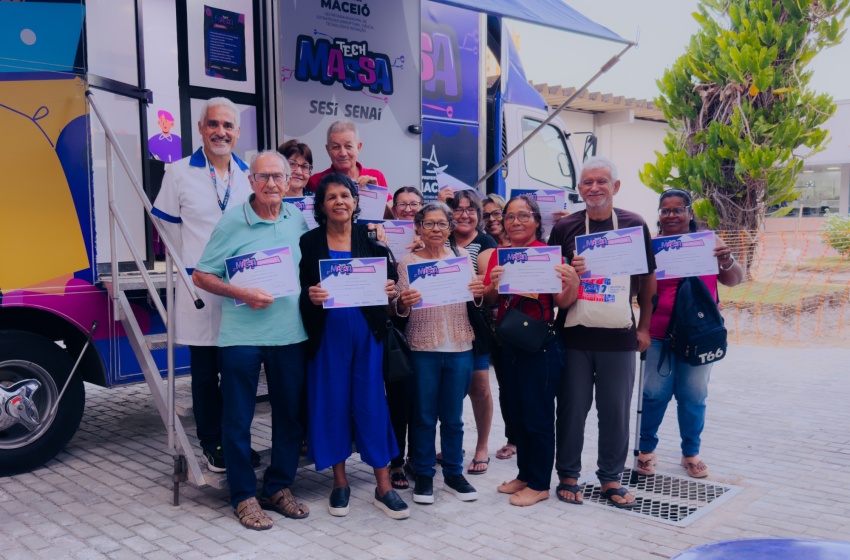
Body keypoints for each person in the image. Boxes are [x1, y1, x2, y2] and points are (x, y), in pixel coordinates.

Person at [192, 151, 309, 530]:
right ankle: (243, 495)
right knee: (237, 419)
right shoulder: (231, 222)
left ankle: (278, 487)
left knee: (289, 416)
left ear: (290, 180)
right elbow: (201, 275)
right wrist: (240, 293)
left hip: (290, 334)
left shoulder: (298, 219)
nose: (271, 184)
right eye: (263, 177)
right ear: (251, 181)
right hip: (241, 337)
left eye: (278, 177)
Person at [151, 97, 261, 473]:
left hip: (240, 286)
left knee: (238, 369)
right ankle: (212, 444)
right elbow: (166, 226)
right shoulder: (178, 172)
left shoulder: (250, 176)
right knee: (203, 369)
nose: (221, 132)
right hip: (198, 284)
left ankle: (237, 441)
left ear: (238, 132)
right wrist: (193, 264)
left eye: (228, 126)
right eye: (213, 124)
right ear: (200, 128)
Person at [299, 173, 410, 520]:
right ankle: (340, 483)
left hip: (367, 334)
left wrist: (390, 290)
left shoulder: (371, 238)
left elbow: (389, 283)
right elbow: (302, 289)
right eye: (331, 197)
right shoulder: (310, 242)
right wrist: (311, 296)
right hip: (328, 335)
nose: (339, 202)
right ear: (321, 205)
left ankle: (383, 486)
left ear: (355, 201)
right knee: (331, 405)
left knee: (372, 404)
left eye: (345, 195)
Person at [548, 156, 657, 509]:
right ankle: (567, 474)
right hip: (574, 337)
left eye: (602, 181)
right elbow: (553, 283)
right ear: (579, 189)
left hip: (618, 336)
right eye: (587, 182)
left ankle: (610, 477)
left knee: (615, 411)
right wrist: (571, 274)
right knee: (571, 409)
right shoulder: (565, 229)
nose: (594, 188)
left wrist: (644, 326)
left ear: (615, 187)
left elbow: (648, 278)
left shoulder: (633, 225)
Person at [637, 189, 744, 479]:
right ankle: (645, 450)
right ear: (659, 214)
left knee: (694, 396)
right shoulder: (653, 246)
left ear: (690, 212)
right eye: (665, 210)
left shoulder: (709, 242)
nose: (671, 215)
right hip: (658, 333)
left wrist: (726, 260)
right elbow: (638, 287)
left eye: (677, 210)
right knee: (653, 395)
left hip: (699, 334)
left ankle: (691, 453)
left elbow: (735, 279)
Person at [482, 195, 579, 506]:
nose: (515, 222)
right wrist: (494, 284)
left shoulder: (548, 255)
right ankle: (524, 475)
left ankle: (539, 483)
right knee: (518, 414)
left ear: (537, 221)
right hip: (509, 343)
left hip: (540, 345)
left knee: (537, 416)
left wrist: (573, 282)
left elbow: (562, 303)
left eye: (523, 215)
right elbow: (489, 300)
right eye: (509, 216)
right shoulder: (500, 256)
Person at [394, 202, 485, 505]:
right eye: (429, 224)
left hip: (460, 346)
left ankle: (453, 474)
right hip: (423, 347)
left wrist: (478, 294)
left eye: (441, 224)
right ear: (418, 227)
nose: (436, 230)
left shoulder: (461, 259)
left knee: (454, 417)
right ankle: (422, 473)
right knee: (422, 416)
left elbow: (473, 302)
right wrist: (404, 302)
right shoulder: (407, 262)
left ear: (450, 228)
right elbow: (401, 310)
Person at [447, 191, 497, 475]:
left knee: (478, 387)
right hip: (443, 322)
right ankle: (454, 446)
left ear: (478, 215)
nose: (464, 214)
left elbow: (487, 280)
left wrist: (451, 276)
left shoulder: (486, 242)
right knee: (450, 389)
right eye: (458, 209)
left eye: (470, 210)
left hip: (475, 324)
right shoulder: (442, 237)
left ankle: (482, 446)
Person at [385, 185, 425, 490]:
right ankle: (396, 462)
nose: (408, 209)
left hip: (427, 330)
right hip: (396, 332)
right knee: (399, 400)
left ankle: (419, 456)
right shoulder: (382, 238)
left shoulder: (434, 242)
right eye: (403, 204)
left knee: (424, 401)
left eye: (415, 204)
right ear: (393, 208)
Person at [481, 194, 516, 461]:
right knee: (506, 385)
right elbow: (487, 293)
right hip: (496, 326)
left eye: (497, 213)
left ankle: (524, 437)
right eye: (487, 215)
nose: (493, 219)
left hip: (529, 323)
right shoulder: (487, 252)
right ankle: (513, 437)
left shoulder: (531, 244)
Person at [307, 120, 387, 192]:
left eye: (348, 146)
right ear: (328, 150)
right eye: (336, 147)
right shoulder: (316, 181)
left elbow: (392, 208)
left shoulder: (376, 176)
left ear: (358, 147)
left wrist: (377, 193)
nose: (343, 153)